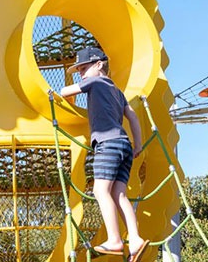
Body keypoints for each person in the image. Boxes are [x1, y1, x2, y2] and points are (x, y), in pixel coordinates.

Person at [60, 47, 150, 262]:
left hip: (107, 143)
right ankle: (135, 239)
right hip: (124, 145)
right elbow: (133, 117)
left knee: (101, 190)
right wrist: (138, 145)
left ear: (99, 65)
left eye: (83, 68)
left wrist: (61, 96)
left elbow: (64, 92)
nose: (81, 73)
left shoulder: (95, 82)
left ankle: (115, 240)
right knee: (118, 194)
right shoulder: (117, 92)